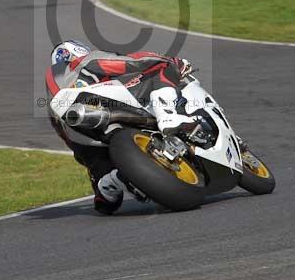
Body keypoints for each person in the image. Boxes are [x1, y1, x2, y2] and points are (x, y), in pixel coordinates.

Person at [46, 40, 197, 215]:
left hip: (83, 140)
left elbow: (72, 144)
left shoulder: (53, 104)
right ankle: (169, 119)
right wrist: (170, 60)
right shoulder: (83, 62)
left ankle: (115, 181)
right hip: (97, 107)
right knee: (162, 68)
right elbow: (131, 61)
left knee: (106, 203)